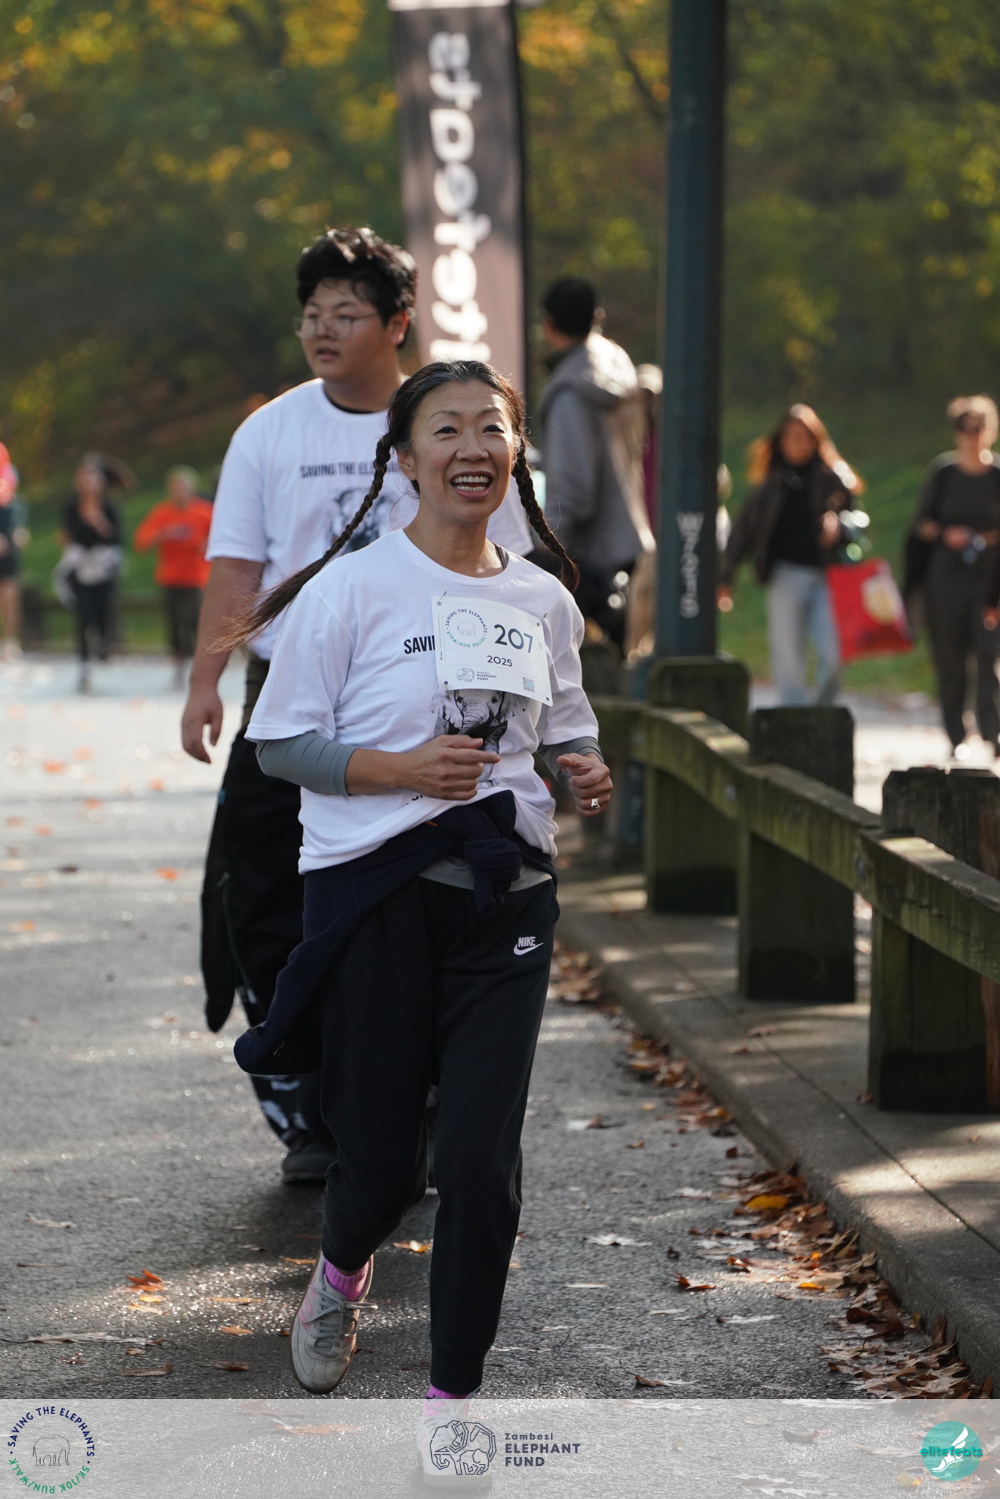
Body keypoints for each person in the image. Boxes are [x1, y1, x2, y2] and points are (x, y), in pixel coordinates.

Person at [230, 359, 612, 1412]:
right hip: (373, 891)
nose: (471, 447)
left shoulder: (542, 598)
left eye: (491, 427)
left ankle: (454, 1398)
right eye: (446, 429)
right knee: (382, 1158)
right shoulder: (351, 588)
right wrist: (401, 769)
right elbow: (279, 745)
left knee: (480, 1159)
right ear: (404, 458)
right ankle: (341, 1266)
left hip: (505, 892)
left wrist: (580, 765)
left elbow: (562, 725)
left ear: (515, 452)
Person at [181, 227, 534, 1187]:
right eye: (311, 315)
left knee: (423, 895)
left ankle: (421, 1095)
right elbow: (235, 567)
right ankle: (309, 1105)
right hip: (290, 690)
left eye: (346, 313)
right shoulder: (269, 432)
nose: (322, 331)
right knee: (265, 894)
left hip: (429, 690)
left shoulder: (451, 426)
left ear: (398, 322)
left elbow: (510, 568)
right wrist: (206, 681)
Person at [718, 404, 863, 705]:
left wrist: (840, 526)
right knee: (789, 663)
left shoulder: (833, 479)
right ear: (780, 442)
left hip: (827, 577)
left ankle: (822, 712)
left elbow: (859, 519)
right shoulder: (769, 485)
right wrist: (726, 578)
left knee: (835, 655)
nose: (797, 443)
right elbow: (742, 533)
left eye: (803, 437)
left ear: (815, 440)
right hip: (785, 577)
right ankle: (793, 718)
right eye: (791, 437)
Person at [538, 277, 653, 653]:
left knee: (587, 676)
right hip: (629, 538)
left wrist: (547, 552)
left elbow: (572, 491)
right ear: (598, 317)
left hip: (590, 559)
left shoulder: (571, 394)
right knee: (621, 665)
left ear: (548, 324)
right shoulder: (618, 363)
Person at [906, 395, 1000, 758]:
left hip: (990, 580)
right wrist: (949, 534)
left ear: (990, 430)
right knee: (950, 659)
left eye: (978, 427)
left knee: (989, 656)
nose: (971, 435)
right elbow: (921, 524)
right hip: (945, 578)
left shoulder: (997, 476)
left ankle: (993, 735)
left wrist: (987, 539)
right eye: (964, 427)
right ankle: (956, 735)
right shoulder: (943, 473)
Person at [55, 453, 131, 692]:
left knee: (104, 614)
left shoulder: (109, 507)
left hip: (104, 569)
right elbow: (70, 536)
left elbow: (117, 539)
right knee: (83, 617)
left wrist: (99, 523)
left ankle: (105, 650)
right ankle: (84, 668)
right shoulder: (71, 507)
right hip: (80, 569)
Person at [134, 466, 213, 688]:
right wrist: (161, 534)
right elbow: (141, 541)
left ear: (192, 489)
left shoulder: (204, 512)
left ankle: (198, 666)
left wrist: (207, 544)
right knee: (174, 623)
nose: (180, 492)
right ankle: (179, 665)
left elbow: (223, 536)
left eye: (184, 487)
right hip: (170, 577)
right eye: (176, 487)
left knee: (194, 621)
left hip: (197, 577)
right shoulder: (162, 513)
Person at [0, 443, 29, 661]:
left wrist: (20, 536)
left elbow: (20, 528)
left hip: (8, 559)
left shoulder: (15, 506)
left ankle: (10, 642)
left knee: (11, 599)